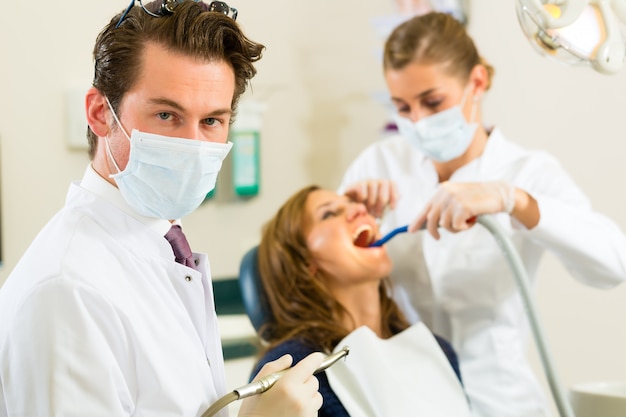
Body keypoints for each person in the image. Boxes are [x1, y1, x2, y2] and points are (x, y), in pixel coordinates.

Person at [0, 2, 324, 416]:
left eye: (211, 121)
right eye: (167, 114)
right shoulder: (67, 291)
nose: (193, 144)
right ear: (100, 113)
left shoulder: (162, 247)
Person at [338, 11, 626, 417]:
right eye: (402, 107)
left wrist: (516, 201)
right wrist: (348, 213)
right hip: (405, 398)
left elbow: (612, 264)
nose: (418, 121)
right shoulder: (379, 167)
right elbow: (317, 279)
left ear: (477, 82)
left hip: (503, 402)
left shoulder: (526, 172)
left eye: (432, 102)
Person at [250, 185, 472, 417]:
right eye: (329, 213)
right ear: (304, 262)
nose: (359, 209)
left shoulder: (438, 350)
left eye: (355, 205)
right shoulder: (293, 370)